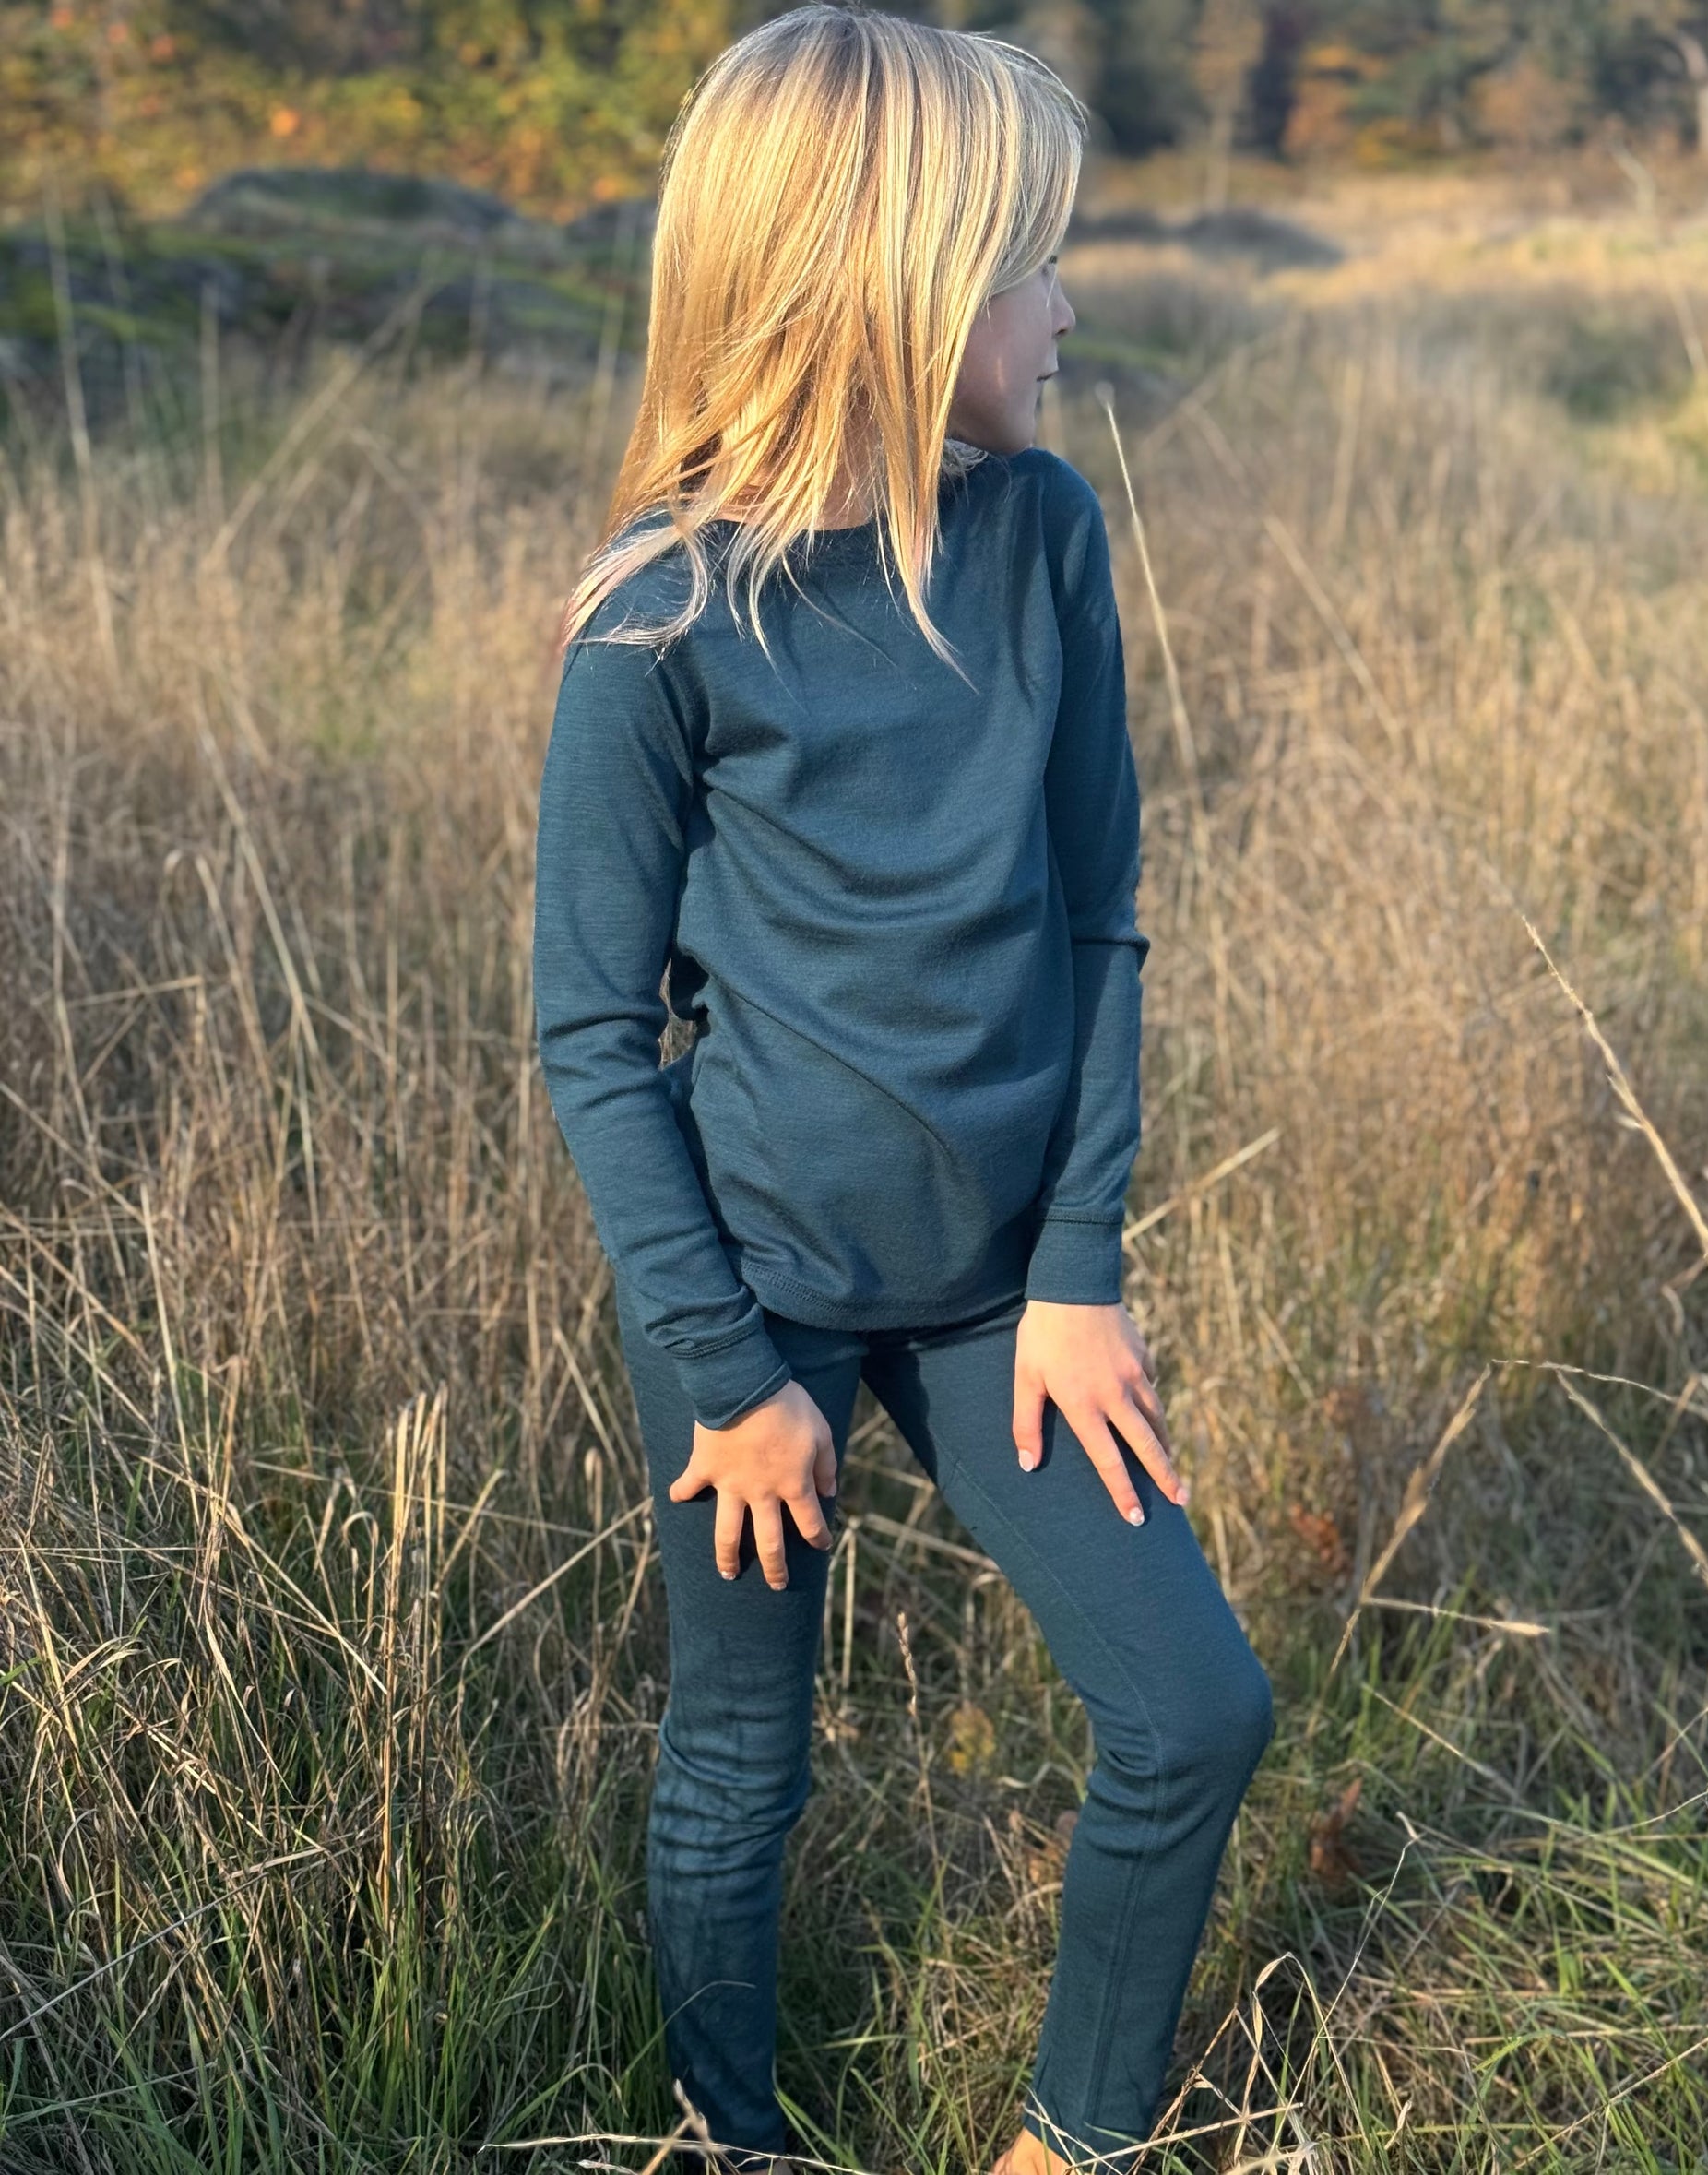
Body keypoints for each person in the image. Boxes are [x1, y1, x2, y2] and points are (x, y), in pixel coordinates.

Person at [531, 9, 1275, 2172]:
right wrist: (722, 1365)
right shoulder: (657, 622)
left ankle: (1075, 2144)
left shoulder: (1042, 537)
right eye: (1029, 262)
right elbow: (595, 1033)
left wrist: (1078, 1266)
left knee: (1192, 1708)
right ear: (891, 287)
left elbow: (1099, 919)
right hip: (749, 1303)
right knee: (744, 1756)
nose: (1065, 305)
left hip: (998, 1303)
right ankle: (725, 2133)